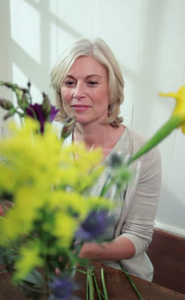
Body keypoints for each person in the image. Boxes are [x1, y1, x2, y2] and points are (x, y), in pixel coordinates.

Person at [50, 38, 161, 282]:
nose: (78, 93)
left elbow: (138, 235)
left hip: (119, 277)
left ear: (111, 89)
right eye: (69, 82)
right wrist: (3, 209)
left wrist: (88, 250)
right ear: (60, 90)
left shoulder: (143, 153)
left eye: (92, 82)